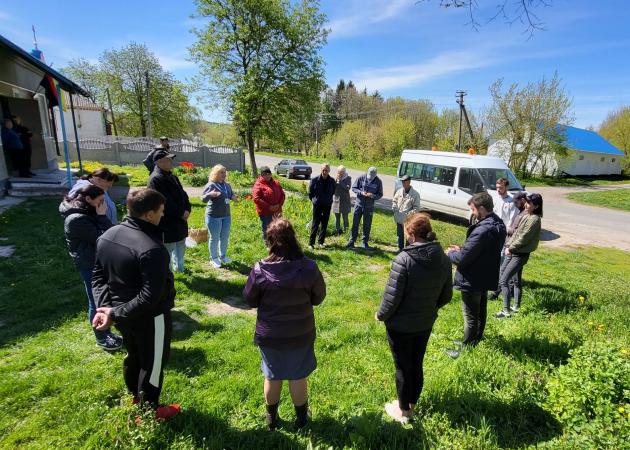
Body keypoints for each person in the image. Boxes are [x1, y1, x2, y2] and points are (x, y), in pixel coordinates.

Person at [92, 189, 180, 421]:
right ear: (149, 215)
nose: (162, 216)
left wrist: (107, 310)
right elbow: (150, 296)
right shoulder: (152, 249)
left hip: (122, 314)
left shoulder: (108, 235)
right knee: (153, 364)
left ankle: (135, 397)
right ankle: (149, 412)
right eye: (161, 212)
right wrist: (112, 313)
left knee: (134, 356)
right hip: (151, 317)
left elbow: (97, 277)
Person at [243, 218, 326, 430]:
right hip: (300, 332)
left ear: (270, 241)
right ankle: (301, 419)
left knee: (272, 375)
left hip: (270, 334)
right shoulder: (309, 267)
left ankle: (271, 418)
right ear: (293, 238)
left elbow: (250, 300)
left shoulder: (259, 269)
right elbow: (318, 297)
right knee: (298, 376)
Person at [376, 213, 452, 424]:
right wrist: (428, 307)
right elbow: (447, 296)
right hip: (425, 322)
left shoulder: (404, 259)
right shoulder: (444, 259)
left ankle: (403, 412)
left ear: (411, 235)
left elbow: (391, 299)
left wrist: (380, 314)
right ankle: (412, 405)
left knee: (403, 367)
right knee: (416, 364)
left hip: (400, 326)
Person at [59, 184, 121, 352]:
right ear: (88, 199)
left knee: (103, 300)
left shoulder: (86, 212)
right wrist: (101, 216)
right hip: (90, 266)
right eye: (100, 200)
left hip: (98, 263)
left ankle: (106, 332)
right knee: (96, 302)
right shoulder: (77, 218)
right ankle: (101, 338)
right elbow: (104, 237)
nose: (103, 204)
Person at [444, 192, 506, 358]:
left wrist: (451, 253)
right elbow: (480, 251)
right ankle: (474, 340)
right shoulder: (498, 225)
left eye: (473, 209)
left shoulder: (482, 230)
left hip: (472, 278)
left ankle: (466, 349)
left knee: (471, 315)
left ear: (482, 209)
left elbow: (463, 259)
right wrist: (462, 249)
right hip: (485, 275)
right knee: (480, 312)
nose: (472, 212)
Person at [494, 193, 543, 318]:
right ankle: (515, 306)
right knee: (515, 280)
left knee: (504, 280)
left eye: (529, 203)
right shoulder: (527, 215)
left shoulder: (534, 220)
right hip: (513, 251)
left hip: (519, 254)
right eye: (526, 202)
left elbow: (523, 238)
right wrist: (509, 245)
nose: (525, 204)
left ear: (536, 206)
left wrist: (510, 247)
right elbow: (516, 233)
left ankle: (506, 311)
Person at [147, 150, 191, 273]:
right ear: (159, 161)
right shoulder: (156, 178)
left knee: (180, 244)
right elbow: (164, 201)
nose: (171, 162)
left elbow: (184, 194)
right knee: (169, 247)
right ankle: (168, 273)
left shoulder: (171, 176)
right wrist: (181, 212)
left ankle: (180, 269)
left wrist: (187, 209)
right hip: (168, 220)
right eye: (168, 159)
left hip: (180, 220)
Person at [489, 191, 527, 300]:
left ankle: (505, 295)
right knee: (511, 274)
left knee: (506, 273)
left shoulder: (525, 215)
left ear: (523, 200)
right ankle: (505, 294)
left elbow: (520, 234)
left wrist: (508, 231)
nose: (515, 204)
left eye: (517, 202)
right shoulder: (521, 212)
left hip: (514, 248)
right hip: (510, 245)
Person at [201, 164, 238, 268]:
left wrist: (233, 196)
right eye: (221, 173)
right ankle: (213, 258)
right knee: (214, 238)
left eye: (224, 173)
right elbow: (202, 199)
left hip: (226, 215)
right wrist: (209, 195)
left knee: (224, 237)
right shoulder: (211, 185)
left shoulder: (227, 185)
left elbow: (230, 194)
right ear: (216, 174)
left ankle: (223, 256)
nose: (224, 175)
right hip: (214, 216)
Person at [347, 166, 383, 249]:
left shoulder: (378, 182)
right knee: (355, 223)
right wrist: (361, 193)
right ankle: (351, 241)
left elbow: (380, 194)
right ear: (367, 173)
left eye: (372, 178)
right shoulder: (361, 178)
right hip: (358, 205)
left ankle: (364, 242)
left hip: (369, 207)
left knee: (367, 225)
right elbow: (354, 188)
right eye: (369, 177)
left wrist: (373, 196)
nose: (370, 179)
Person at [252, 166, 285, 245]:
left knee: (278, 228)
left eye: (268, 174)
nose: (267, 176)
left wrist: (279, 205)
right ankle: (267, 243)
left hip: (277, 210)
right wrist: (269, 206)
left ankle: (277, 242)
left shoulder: (276, 183)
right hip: (265, 212)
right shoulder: (258, 184)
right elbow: (256, 198)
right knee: (266, 228)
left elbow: (282, 195)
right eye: (265, 174)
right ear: (262, 175)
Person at [308, 163, 335, 250]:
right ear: (321, 170)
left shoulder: (332, 181)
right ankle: (311, 243)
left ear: (329, 171)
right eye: (323, 170)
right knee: (315, 224)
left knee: (324, 224)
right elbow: (310, 192)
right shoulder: (314, 179)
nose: (324, 172)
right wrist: (314, 201)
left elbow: (333, 191)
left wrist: (328, 199)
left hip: (327, 204)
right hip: (318, 205)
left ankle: (321, 242)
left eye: (326, 170)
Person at [392, 175, 421, 252]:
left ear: (409, 182)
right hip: (399, 217)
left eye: (404, 182)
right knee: (399, 234)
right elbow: (394, 201)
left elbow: (416, 208)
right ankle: (400, 248)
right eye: (402, 182)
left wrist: (408, 215)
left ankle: (407, 249)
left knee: (409, 235)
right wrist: (395, 209)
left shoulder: (415, 194)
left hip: (408, 220)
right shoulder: (399, 191)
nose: (403, 184)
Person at [332, 165, 352, 236]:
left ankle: (346, 232)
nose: (340, 173)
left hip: (345, 201)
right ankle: (337, 231)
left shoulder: (348, 178)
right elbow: (332, 187)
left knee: (345, 218)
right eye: (339, 172)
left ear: (344, 172)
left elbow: (347, 188)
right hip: (336, 200)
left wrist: (340, 181)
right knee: (337, 218)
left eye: (342, 172)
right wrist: (335, 180)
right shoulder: (335, 178)